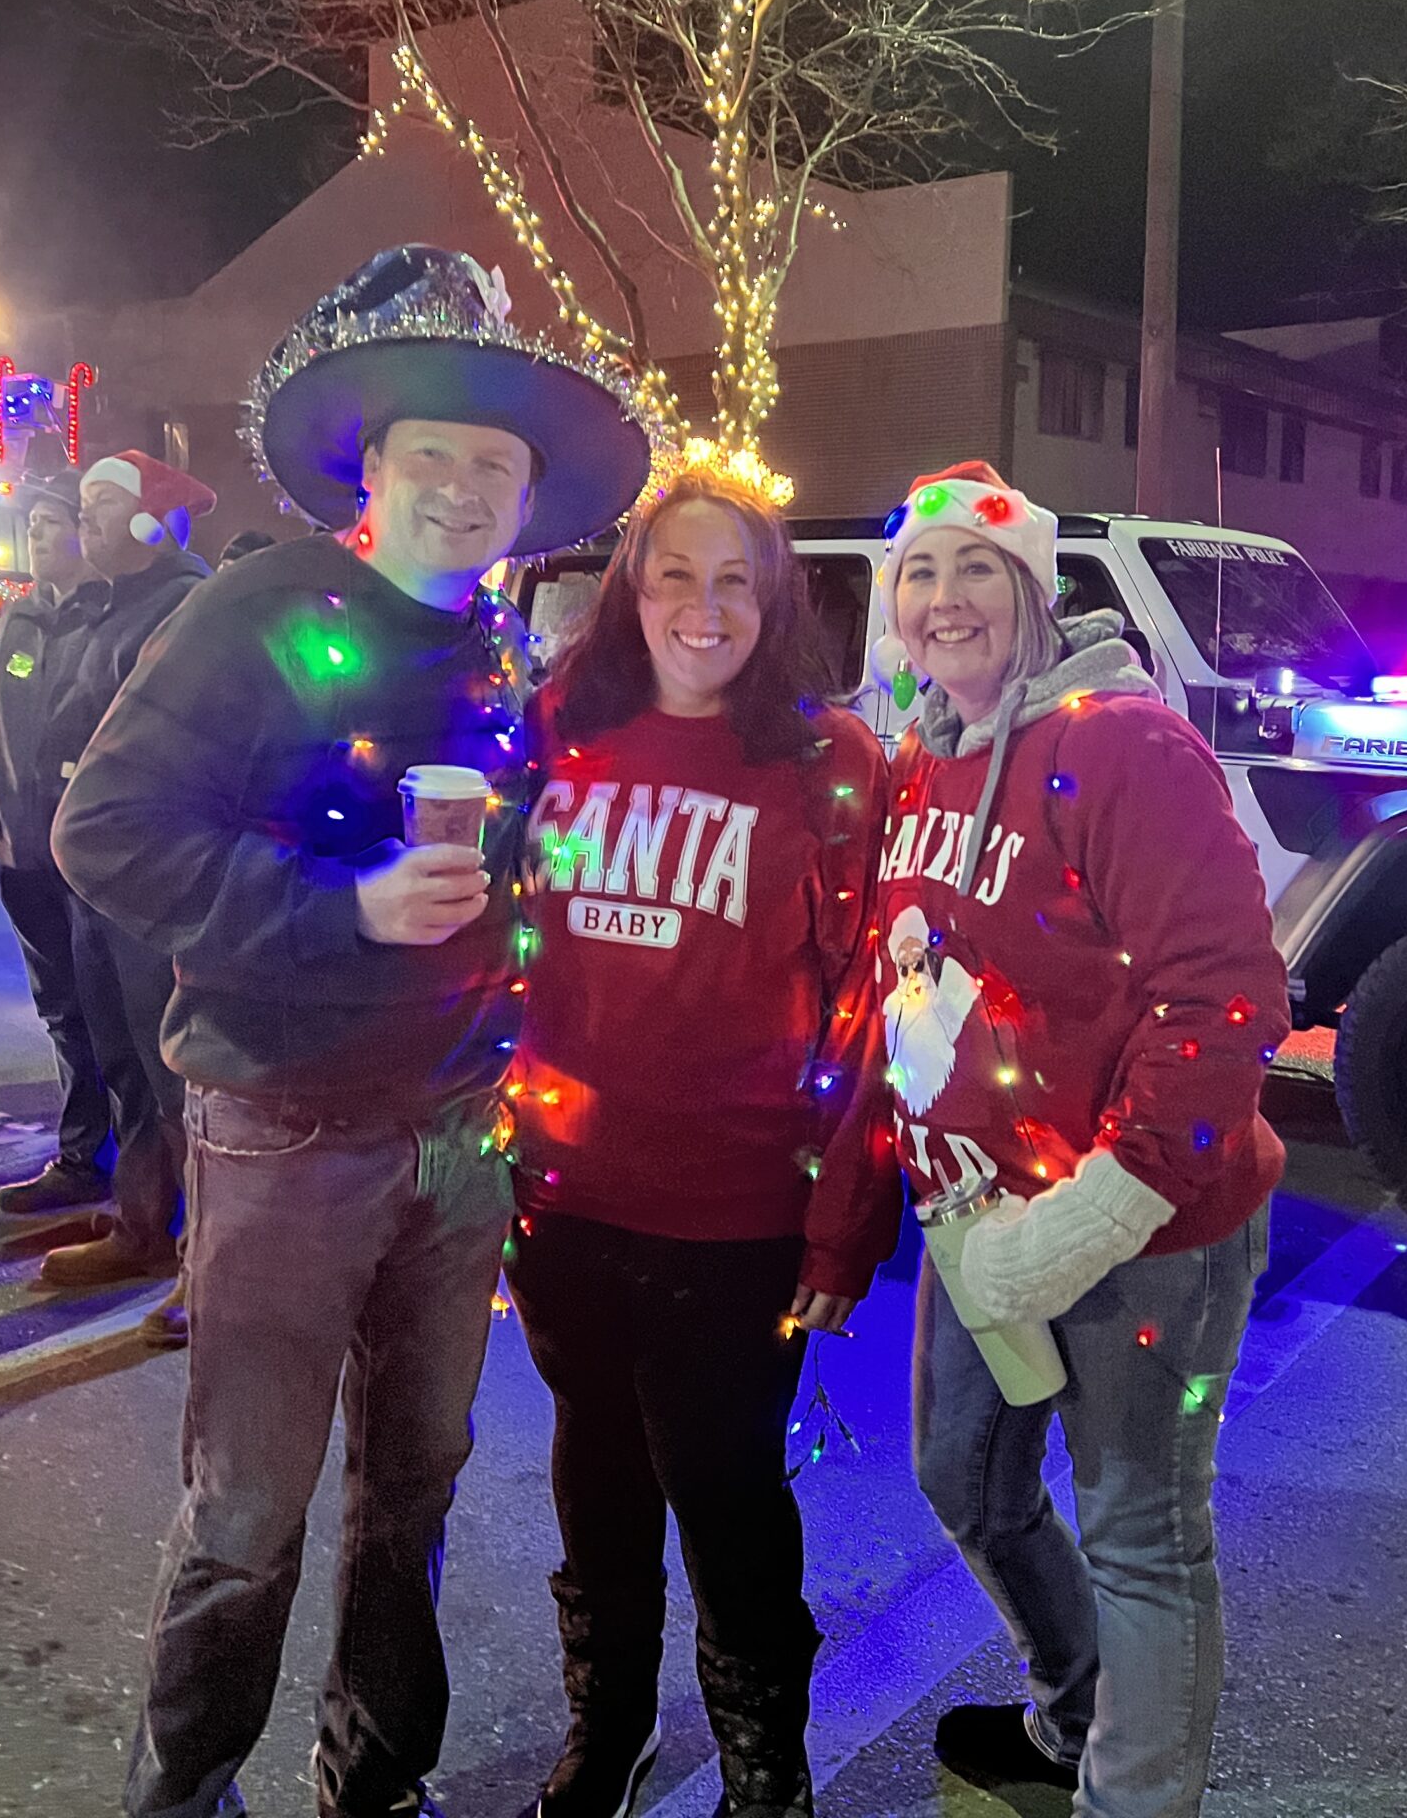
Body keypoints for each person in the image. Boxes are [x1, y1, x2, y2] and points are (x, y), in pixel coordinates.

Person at [52, 245, 660, 1818]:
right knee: (248, 1509)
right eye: (434, 459)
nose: (464, 491)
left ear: (527, 502)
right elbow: (106, 832)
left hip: (459, 1144)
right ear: (373, 474)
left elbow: (507, 870)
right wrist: (345, 909)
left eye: (496, 468)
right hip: (284, 1134)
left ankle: (373, 1772)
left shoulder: (497, 651)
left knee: (418, 1488)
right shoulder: (260, 607)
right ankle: (181, 1796)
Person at [842, 462, 1290, 1818]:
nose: (944, 598)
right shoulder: (924, 753)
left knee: (1142, 1534)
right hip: (973, 1219)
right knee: (963, 1480)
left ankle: (1134, 1797)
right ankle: (1077, 1706)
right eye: (920, 573)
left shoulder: (1123, 744)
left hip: (1146, 1230)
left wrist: (1098, 1212)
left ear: (1037, 591)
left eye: (978, 569)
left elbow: (1227, 998)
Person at [504, 472, 893, 1818]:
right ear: (630, 588)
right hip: (561, 1194)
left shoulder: (830, 761)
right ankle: (605, 1733)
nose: (703, 606)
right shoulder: (563, 727)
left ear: (776, 595)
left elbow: (869, 1008)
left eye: (736, 578)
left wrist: (848, 1221)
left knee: (728, 1500)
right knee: (594, 1475)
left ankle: (762, 1766)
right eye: (674, 573)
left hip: (736, 1215)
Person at [23, 450, 218, 1344]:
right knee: (121, 1060)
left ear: (152, 521)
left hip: (150, 877)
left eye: (103, 504)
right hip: (90, 876)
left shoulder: (189, 608)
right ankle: (142, 1226)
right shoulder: (100, 606)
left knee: (176, 1072)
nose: (82, 519)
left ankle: (206, 1269)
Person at [0, 469, 117, 1216]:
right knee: (61, 1010)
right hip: (22, 850)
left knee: (111, 1011)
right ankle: (80, 1154)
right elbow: (2, 720)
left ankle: (139, 1167)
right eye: (28, 524)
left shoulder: (110, 617)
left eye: (49, 523)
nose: (34, 536)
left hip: (89, 854)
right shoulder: (20, 619)